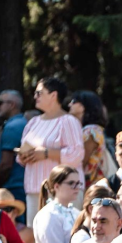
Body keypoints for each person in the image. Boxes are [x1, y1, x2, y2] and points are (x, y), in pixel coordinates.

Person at [18, 78, 85, 220]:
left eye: (39, 93)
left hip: (62, 192)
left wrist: (46, 153)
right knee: (37, 237)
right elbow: (21, 156)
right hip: (35, 190)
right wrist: (23, 156)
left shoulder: (69, 121)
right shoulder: (33, 122)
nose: (35, 96)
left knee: (66, 237)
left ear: (53, 95)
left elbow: (76, 154)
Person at [0, 89, 28, 212]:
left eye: (0, 103)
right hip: (23, 186)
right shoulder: (24, 123)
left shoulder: (12, 127)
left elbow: (5, 164)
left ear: (12, 104)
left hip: (12, 189)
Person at [67, 90, 109, 186]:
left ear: (83, 106)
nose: (69, 105)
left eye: (74, 101)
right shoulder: (90, 129)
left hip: (91, 186)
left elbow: (81, 162)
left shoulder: (91, 131)